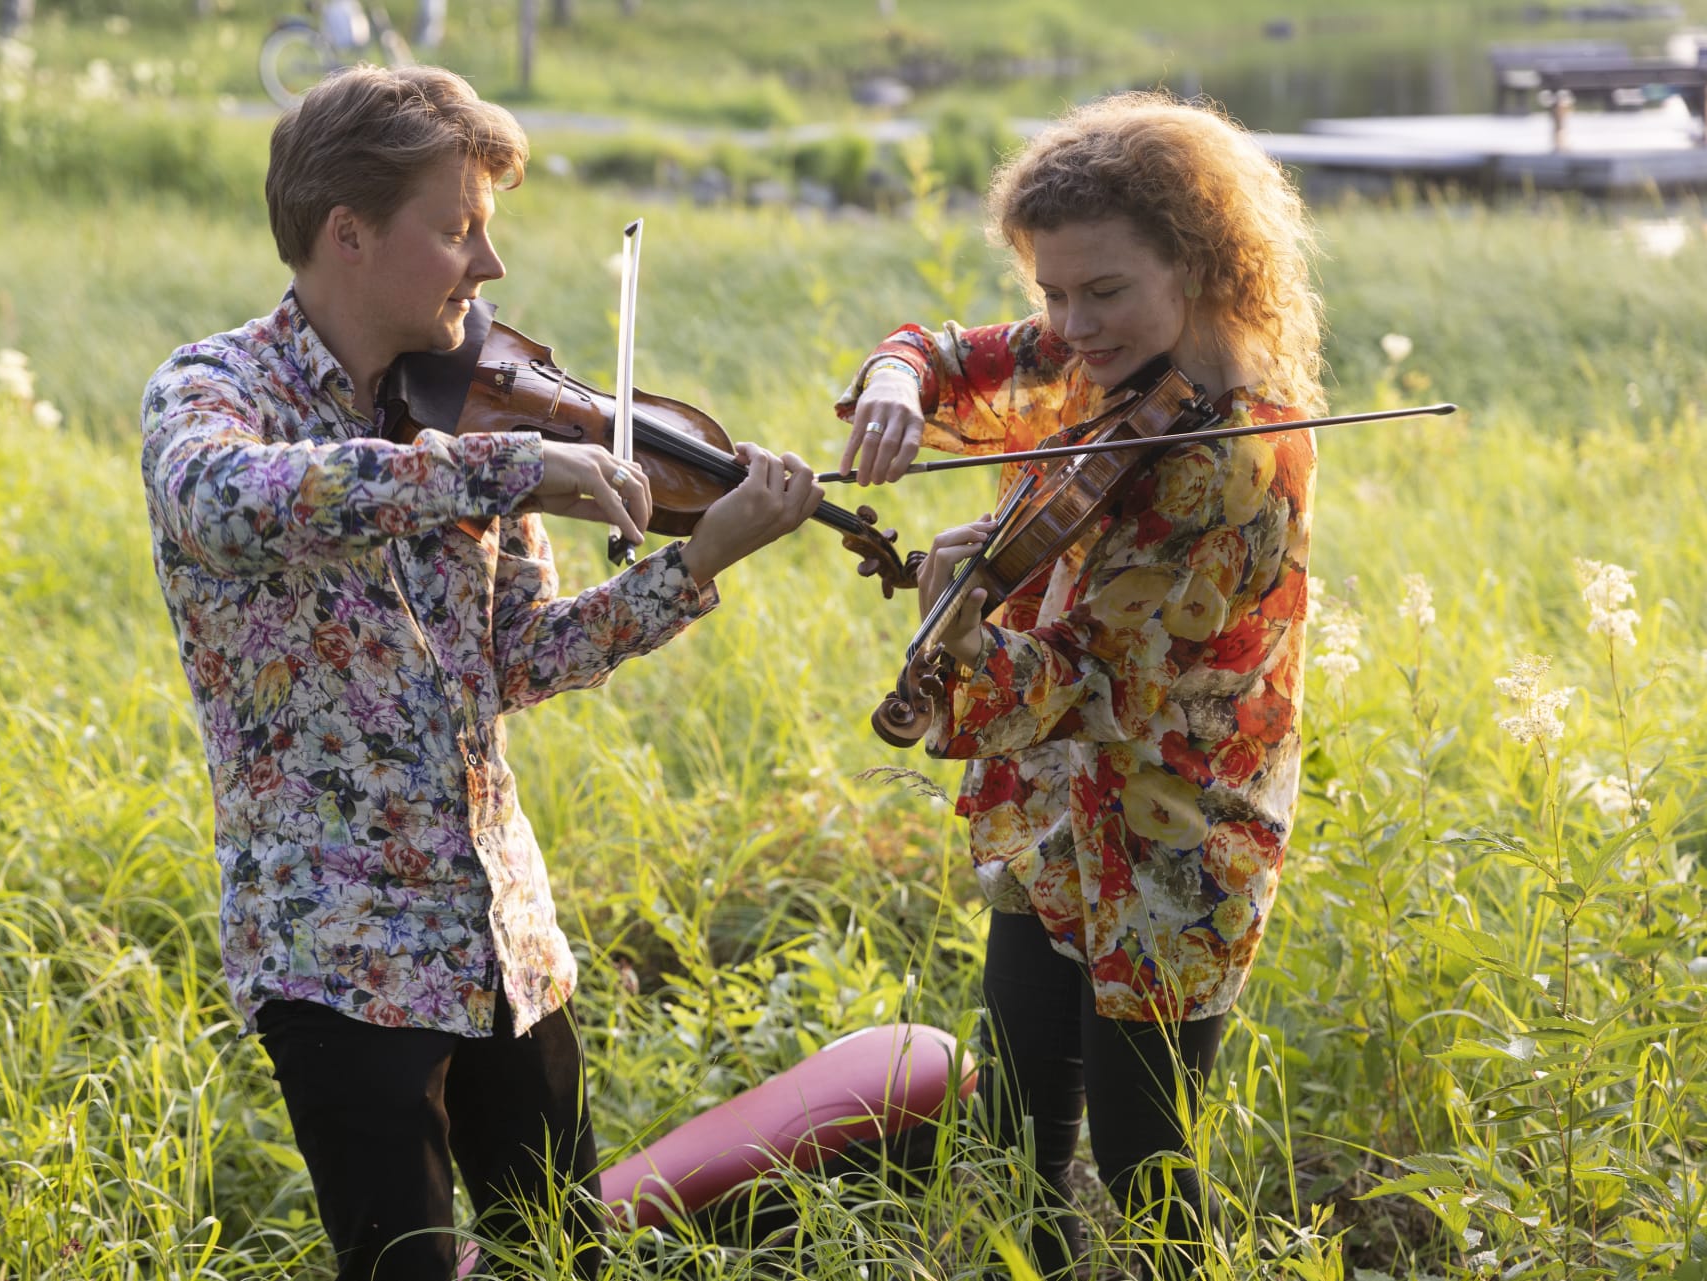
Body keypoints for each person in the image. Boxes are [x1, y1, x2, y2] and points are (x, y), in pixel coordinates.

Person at [140, 65, 822, 1281]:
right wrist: (491, 469)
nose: (488, 268)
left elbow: (520, 659)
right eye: (458, 230)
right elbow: (223, 507)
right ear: (347, 235)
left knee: (566, 1256)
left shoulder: (463, 414)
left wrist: (697, 561)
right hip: (335, 945)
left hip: (499, 932)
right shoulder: (213, 391)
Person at [835, 91, 1322, 1276]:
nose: (1067, 322)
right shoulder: (1096, 352)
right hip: (1060, 820)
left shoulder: (1229, 457)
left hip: (1175, 835)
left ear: (1199, 265)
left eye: (1100, 291)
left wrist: (959, 623)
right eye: (1052, 288)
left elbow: (1100, 683)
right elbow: (947, 352)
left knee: (1148, 1155)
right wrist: (895, 381)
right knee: (1014, 1139)